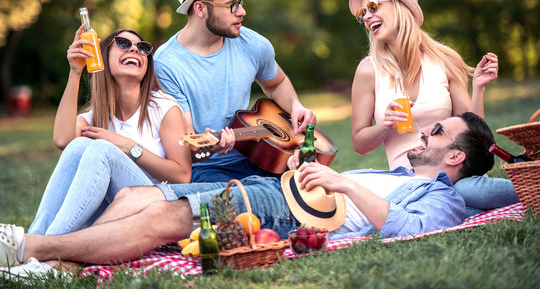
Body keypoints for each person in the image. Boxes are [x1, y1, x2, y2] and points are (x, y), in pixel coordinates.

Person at [1, 112, 495, 268]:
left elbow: (405, 228)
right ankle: (58, 268)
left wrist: (342, 182)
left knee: (164, 219)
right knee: (133, 198)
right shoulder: (400, 176)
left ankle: (31, 248)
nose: (425, 132)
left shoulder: (443, 199)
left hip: (286, 215)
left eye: (438, 133)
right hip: (273, 189)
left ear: (455, 157)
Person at [347, 0, 518, 214]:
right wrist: (385, 125)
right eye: (362, 13)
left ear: (401, 5)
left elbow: (472, 132)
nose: (366, 16)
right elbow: (359, 143)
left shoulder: (444, 59)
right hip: (409, 181)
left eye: (374, 6)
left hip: (455, 174)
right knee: (460, 198)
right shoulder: (368, 70)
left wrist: (478, 87)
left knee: (470, 192)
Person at [153, 0, 316, 183]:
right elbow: (188, 145)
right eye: (232, 5)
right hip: (208, 170)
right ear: (200, 9)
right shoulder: (166, 64)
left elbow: (276, 83)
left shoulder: (253, 44)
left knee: (315, 185)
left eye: (241, 0)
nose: (242, 12)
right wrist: (213, 146)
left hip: (260, 157)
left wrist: (296, 106)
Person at [27, 25, 192, 236]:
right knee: (80, 144)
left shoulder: (164, 107)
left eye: (142, 47)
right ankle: (33, 238)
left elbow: (183, 175)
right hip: (106, 209)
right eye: (123, 44)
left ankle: (45, 245)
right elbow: (63, 141)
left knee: (102, 149)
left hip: (149, 205)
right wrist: (75, 72)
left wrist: (127, 146)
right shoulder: (96, 115)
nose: (134, 50)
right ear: (103, 58)